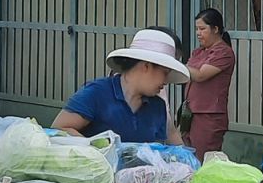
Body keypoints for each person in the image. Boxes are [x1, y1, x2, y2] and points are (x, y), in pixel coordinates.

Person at [53, 29, 189, 143]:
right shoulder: (96, 93)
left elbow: (158, 150)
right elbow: (59, 129)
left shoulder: (157, 106)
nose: (166, 81)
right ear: (146, 66)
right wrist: (96, 151)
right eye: (164, 73)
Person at [185, 8, 235, 156]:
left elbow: (200, 75)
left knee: (203, 158)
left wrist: (177, 65)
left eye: (202, 29)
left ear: (215, 29)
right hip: (190, 112)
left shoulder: (223, 52)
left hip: (209, 115)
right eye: (197, 29)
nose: (198, 33)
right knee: (187, 156)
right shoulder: (199, 51)